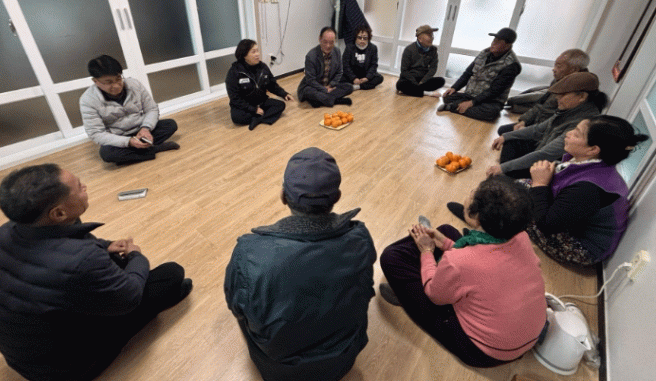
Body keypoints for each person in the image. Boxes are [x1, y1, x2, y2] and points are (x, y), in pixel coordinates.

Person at [0, 164, 192, 381]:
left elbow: (69, 248)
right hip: (66, 371)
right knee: (171, 275)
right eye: (79, 187)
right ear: (59, 213)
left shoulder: (5, 232)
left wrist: (105, 246)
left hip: (25, 356)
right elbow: (130, 297)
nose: (85, 187)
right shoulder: (84, 260)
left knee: (114, 264)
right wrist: (136, 256)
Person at [225, 147, 376, 381]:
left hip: (279, 371)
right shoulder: (361, 238)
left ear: (283, 196)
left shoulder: (249, 252)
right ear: (337, 197)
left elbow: (236, 307)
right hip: (341, 361)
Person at [379, 176, 546, 367]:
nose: (469, 194)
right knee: (447, 230)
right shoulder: (521, 237)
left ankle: (407, 298)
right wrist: (447, 244)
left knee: (391, 258)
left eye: (473, 193)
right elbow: (484, 264)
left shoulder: (458, 262)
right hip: (526, 336)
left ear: (477, 216)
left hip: (484, 352)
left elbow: (434, 294)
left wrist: (426, 251)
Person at [527, 116, 649, 266]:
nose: (568, 133)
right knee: (521, 189)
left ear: (593, 149)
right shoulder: (590, 163)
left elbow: (547, 225)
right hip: (573, 224)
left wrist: (540, 184)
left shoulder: (589, 188)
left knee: (515, 204)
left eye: (577, 134)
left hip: (581, 248)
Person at [486, 71, 607, 179]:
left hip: (547, 168)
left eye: (563, 95)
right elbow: (538, 129)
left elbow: (545, 154)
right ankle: (505, 176)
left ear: (582, 96)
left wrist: (504, 167)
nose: (557, 98)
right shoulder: (570, 110)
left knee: (506, 170)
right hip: (541, 148)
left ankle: (504, 179)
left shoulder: (582, 122)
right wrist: (506, 136)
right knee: (511, 139)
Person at [80, 55, 180, 165]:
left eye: (118, 78)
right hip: (118, 137)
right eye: (109, 82)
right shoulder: (88, 100)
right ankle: (155, 148)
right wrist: (128, 142)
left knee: (170, 125)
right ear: (95, 81)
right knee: (107, 154)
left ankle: (133, 154)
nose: (116, 86)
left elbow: (151, 109)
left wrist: (146, 128)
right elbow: (96, 133)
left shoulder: (134, 84)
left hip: (140, 129)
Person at [498, 49, 590, 135]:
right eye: (555, 65)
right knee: (503, 130)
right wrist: (524, 121)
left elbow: (556, 124)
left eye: (559, 66)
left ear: (574, 70)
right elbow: (541, 104)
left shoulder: (577, 93)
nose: (554, 69)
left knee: (509, 139)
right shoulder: (557, 81)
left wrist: (528, 131)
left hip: (548, 132)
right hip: (538, 122)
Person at [440, 28, 521, 121]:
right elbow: (468, 73)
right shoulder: (484, 53)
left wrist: (472, 102)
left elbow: (495, 91)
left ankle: (453, 107)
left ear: (507, 46)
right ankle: (461, 107)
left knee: (491, 113)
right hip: (470, 95)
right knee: (447, 96)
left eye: (498, 42)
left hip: (490, 101)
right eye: (494, 40)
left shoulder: (512, 65)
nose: (493, 43)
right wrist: (454, 87)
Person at [225, 39, 294, 131]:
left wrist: (284, 94)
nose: (257, 54)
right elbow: (235, 98)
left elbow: (272, 85)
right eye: (253, 52)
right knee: (237, 117)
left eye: (257, 51)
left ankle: (257, 119)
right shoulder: (234, 72)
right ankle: (263, 116)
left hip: (261, 101)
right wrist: (253, 109)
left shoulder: (263, 67)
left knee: (281, 105)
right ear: (244, 55)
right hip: (245, 105)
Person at [297, 27, 354, 107]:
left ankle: (321, 100)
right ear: (320, 39)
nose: (328, 46)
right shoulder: (311, 56)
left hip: (329, 85)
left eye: (331, 42)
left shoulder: (337, 51)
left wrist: (330, 86)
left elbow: (339, 72)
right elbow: (310, 80)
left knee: (349, 87)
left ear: (335, 41)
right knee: (308, 91)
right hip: (314, 87)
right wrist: (324, 89)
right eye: (325, 42)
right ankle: (335, 100)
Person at [396, 25, 445, 97]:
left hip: (423, 79)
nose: (432, 38)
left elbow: (433, 68)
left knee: (441, 81)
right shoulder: (409, 49)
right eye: (429, 36)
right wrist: (415, 83)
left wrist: (422, 81)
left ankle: (415, 90)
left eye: (432, 35)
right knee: (400, 84)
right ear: (420, 38)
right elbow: (404, 70)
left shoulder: (433, 50)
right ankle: (427, 93)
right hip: (410, 79)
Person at [342, 25, 384, 90]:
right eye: (359, 38)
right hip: (352, 74)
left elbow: (374, 65)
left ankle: (358, 86)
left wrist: (367, 78)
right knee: (339, 78)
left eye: (365, 38)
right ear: (355, 37)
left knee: (379, 78)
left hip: (365, 75)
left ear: (368, 38)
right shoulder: (349, 47)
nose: (362, 40)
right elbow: (345, 65)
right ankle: (362, 85)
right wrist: (353, 78)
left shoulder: (373, 48)